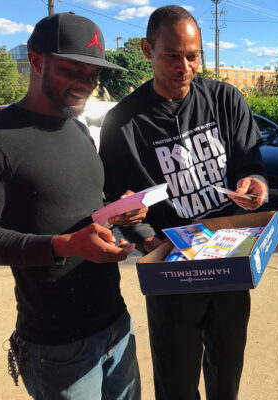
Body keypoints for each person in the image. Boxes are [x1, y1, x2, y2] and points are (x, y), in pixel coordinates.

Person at [99, 5, 268, 399]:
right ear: (147, 50)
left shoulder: (225, 99)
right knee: (176, 379)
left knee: (228, 368)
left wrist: (255, 182)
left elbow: (252, 162)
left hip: (228, 260)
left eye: (192, 56)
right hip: (171, 266)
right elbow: (113, 197)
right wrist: (144, 236)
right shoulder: (123, 122)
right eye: (171, 55)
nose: (184, 67)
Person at [0, 13, 145, 400]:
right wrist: (65, 246)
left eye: (94, 74)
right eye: (74, 70)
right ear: (37, 62)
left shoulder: (79, 130)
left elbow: (82, 205)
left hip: (116, 324)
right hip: (57, 347)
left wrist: (117, 212)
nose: (86, 84)